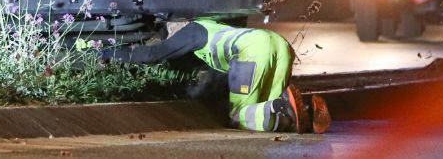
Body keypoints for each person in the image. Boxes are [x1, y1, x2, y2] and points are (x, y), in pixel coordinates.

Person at [106, 17, 330, 134]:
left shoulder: (191, 30)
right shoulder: (212, 27)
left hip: (252, 50)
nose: (170, 39)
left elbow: (152, 54)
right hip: (279, 44)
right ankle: (307, 114)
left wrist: (108, 53)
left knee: (241, 119)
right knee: (262, 111)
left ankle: (283, 108)